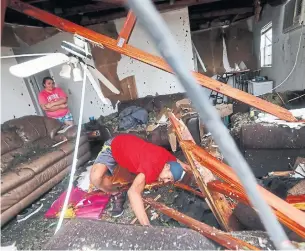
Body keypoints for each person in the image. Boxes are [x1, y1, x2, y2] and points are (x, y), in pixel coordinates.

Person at [90, 134, 189, 225]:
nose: (166, 181)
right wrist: (146, 226)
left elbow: (178, 162)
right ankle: (116, 193)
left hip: (128, 148)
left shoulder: (167, 158)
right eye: (168, 177)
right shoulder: (150, 168)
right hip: (113, 146)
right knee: (95, 178)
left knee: (128, 172)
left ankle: (120, 173)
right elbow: (133, 192)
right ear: (167, 166)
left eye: (169, 181)